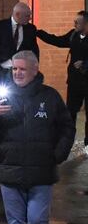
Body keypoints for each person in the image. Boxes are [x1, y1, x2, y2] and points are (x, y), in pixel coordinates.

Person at [0, 51, 74, 224]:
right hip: (9, 172)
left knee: (37, 221)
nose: (17, 73)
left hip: (41, 173)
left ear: (35, 70)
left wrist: (57, 155)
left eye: (22, 69)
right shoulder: (0, 100)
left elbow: (67, 128)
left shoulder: (50, 97)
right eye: (14, 69)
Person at [35, 11, 88, 153]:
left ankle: (87, 144)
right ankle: (67, 142)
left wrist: (85, 64)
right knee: (70, 112)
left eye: (78, 22)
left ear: (86, 23)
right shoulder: (73, 35)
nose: (75, 24)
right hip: (74, 81)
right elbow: (58, 41)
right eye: (74, 21)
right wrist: (39, 33)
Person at [0, 2, 39, 84]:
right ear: (17, 14)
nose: (30, 18)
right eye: (27, 16)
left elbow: (34, 50)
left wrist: (34, 68)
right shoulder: (0, 26)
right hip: (3, 71)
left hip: (23, 72)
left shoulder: (30, 29)